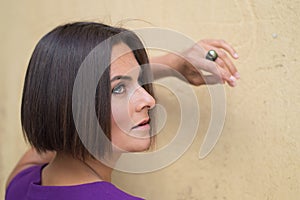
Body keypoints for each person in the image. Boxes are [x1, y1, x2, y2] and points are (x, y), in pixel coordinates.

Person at [5, 22, 239, 200]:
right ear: (75, 106)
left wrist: (172, 64)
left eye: (140, 80)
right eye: (118, 88)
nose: (148, 99)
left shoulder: (21, 184)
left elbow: (57, 112)